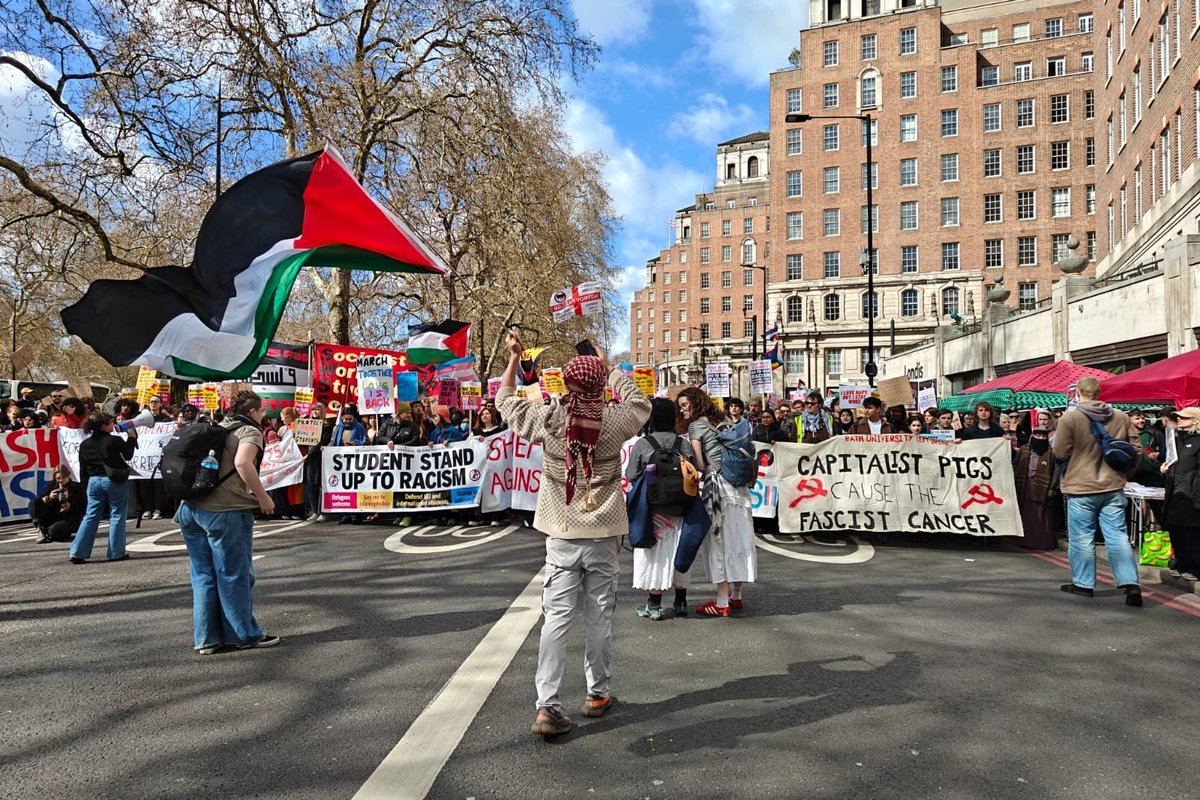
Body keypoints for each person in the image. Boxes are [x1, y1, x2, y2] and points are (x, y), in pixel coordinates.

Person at [496, 331, 649, 737]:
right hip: (603, 530)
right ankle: (597, 693)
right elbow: (641, 403)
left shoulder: (548, 418)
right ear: (599, 383)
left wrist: (514, 358)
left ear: (565, 383)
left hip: (561, 529)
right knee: (600, 615)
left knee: (556, 619)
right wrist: (610, 366)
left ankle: (547, 705)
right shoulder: (615, 421)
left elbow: (504, 400)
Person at [177, 389, 278, 654]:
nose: (264, 413)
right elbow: (243, 463)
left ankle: (207, 639)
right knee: (234, 575)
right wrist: (263, 497)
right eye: (263, 409)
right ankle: (242, 635)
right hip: (225, 510)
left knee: (203, 576)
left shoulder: (216, 426)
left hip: (191, 508)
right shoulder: (249, 431)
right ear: (253, 412)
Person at [1052, 377, 1142, 606]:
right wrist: (1126, 473)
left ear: (1078, 392)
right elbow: (1136, 448)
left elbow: (1060, 452)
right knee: (1118, 536)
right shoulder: (1121, 416)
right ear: (1100, 392)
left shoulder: (1070, 418)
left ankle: (1083, 584)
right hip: (1113, 486)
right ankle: (1131, 584)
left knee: (1082, 538)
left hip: (1081, 487)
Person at [677, 386, 757, 618]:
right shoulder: (723, 419)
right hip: (739, 488)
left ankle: (721, 601)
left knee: (720, 542)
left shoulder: (695, 426)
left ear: (694, 403)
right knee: (741, 538)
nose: (682, 410)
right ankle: (737, 595)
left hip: (718, 487)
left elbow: (701, 465)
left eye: (684, 405)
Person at [626, 398, 696, 620]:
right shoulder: (683, 444)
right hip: (681, 509)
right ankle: (681, 601)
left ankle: (654, 605)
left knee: (654, 554)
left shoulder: (644, 444)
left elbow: (630, 474)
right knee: (679, 550)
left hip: (653, 508)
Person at [69, 411, 138, 564]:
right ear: (103, 426)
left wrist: (85, 486)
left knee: (91, 516)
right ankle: (115, 552)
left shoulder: (85, 444)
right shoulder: (113, 440)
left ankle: (77, 552)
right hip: (113, 480)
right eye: (110, 422)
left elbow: (83, 468)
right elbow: (127, 455)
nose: (113, 424)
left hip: (93, 481)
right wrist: (132, 438)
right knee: (117, 515)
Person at [1162, 408, 1200, 581]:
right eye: (1178, 417)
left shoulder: (1198, 442)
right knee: (1175, 530)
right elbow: (1171, 461)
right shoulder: (1176, 440)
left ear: (1195, 420)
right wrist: (1163, 467)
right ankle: (1182, 563)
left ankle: (1195, 567)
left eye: (1183, 418)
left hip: (1191, 494)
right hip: (1174, 492)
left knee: (1191, 532)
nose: (1179, 419)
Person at [1013, 428, 1059, 550]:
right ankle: (1026, 541)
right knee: (1027, 514)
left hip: (1044, 487)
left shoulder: (1051, 452)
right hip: (1026, 485)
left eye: (1043, 436)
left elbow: (1055, 471)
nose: (1040, 438)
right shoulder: (1024, 449)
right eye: (1037, 435)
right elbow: (1016, 464)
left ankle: (1043, 543)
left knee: (1042, 515)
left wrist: (1052, 487)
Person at [31, 465, 84, 543]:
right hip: (54, 516)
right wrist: (49, 498)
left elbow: (82, 509)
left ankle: (52, 533)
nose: (61, 480)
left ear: (68, 475)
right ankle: (41, 530)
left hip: (70, 519)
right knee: (34, 503)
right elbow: (38, 503)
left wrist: (68, 504)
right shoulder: (51, 486)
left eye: (64, 477)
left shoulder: (77, 487)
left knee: (53, 531)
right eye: (58, 478)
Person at [303, 403, 335, 522]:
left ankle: (322, 511)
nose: (315, 412)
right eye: (313, 410)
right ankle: (314, 511)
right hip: (310, 460)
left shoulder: (327, 426)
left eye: (317, 410)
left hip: (320, 458)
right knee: (311, 485)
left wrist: (309, 454)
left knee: (321, 485)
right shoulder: (306, 424)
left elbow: (322, 442)